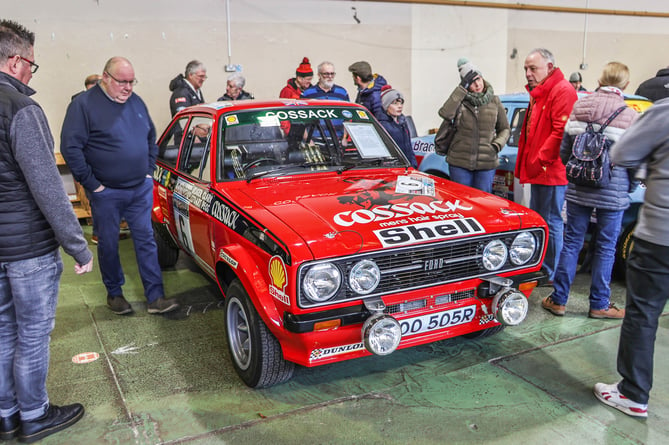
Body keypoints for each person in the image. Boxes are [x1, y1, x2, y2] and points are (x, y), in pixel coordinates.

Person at [0, 19, 94, 443]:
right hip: (27, 248)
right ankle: (35, 415)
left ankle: (6, 413)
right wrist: (78, 246)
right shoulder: (21, 108)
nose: (30, 74)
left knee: (3, 330)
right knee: (33, 333)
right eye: (32, 66)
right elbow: (48, 188)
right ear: (17, 60)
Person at [61, 56, 179, 316]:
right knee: (108, 243)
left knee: (146, 240)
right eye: (122, 82)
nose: (128, 87)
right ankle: (114, 294)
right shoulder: (83, 106)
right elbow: (70, 148)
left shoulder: (135, 102)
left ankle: (155, 297)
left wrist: (148, 172)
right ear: (105, 78)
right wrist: (94, 184)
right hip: (107, 192)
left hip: (139, 189)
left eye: (131, 81)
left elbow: (151, 136)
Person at [542, 62, 638, 319]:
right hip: (613, 190)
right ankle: (599, 304)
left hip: (578, 188)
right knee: (607, 247)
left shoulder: (580, 106)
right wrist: (628, 185)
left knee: (572, 242)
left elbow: (564, 151)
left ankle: (558, 300)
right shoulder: (629, 115)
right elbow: (633, 160)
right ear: (625, 85)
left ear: (600, 78)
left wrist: (578, 173)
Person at [592, 97, 669, 419]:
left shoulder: (664, 111)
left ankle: (633, 394)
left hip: (661, 236)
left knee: (643, 313)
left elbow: (622, 153)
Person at [515, 48, 578, 282]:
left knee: (551, 220)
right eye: (526, 69)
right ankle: (542, 265)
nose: (528, 74)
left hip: (550, 169)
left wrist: (540, 159)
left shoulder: (562, 90)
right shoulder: (539, 92)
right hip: (540, 168)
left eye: (533, 68)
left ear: (549, 68)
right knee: (540, 220)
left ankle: (551, 271)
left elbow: (560, 131)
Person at [437, 58, 510, 193]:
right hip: (459, 162)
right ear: (465, 85)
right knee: (461, 200)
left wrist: (496, 145)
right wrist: (460, 90)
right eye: (471, 82)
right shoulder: (460, 100)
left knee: (482, 201)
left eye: (478, 79)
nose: (477, 84)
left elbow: (504, 128)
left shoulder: (494, 101)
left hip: (486, 163)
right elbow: (445, 114)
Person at [378, 85, 417, 168]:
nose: (400, 106)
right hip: (394, 169)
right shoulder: (382, 125)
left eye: (401, 102)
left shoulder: (403, 122)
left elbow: (409, 147)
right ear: (386, 105)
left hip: (408, 168)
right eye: (395, 103)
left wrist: (413, 165)